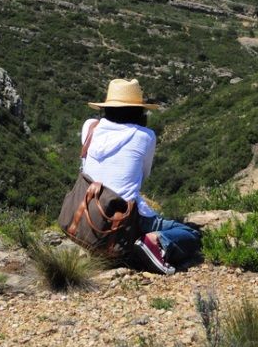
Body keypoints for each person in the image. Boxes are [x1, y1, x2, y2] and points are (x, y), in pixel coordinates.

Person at [82, 78, 202, 275]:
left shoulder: (90, 127)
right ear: (139, 111)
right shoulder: (145, 136)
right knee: (191, 234)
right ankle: (153, 242)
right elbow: (143, 175)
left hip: (89, 214)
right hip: (125, 217)